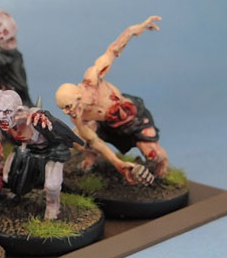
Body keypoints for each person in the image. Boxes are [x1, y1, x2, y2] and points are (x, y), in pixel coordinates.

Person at [55, 16, 168, 184]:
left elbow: (112, 50)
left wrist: (134, 29)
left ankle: (161, 171)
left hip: (131, 118)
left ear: (78, 96)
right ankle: (91, 158)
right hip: (105, 124)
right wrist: (118, 164)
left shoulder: (92, 79)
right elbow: (95, 141)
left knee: (154, 156)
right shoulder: (77, 116)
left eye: (69, 106)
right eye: (64, 109)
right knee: (76, 139)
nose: (68, 112)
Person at [0, 90, 83, 220]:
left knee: (52, 185)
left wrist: (42, 116)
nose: (1, 117)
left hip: (52, 151)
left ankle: (53, 206)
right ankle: (17, 192)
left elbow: (47, 121)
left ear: (18, 111)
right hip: (27, 149)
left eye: (7, 112)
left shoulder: (33, 119)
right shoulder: (1, 120)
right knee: (8, 176)